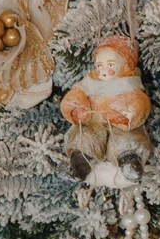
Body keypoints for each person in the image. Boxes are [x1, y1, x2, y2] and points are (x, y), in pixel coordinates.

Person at [61, 35, 153, 186]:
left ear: (126, 65)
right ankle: (79, 163)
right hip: (93, 124)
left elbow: (139, 104)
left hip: (119, 126)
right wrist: (76, 109)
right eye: (99, 65)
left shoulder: (129, 85)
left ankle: (128, 162)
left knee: (125, 140)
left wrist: (123, 115)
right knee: (86, 137)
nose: (103, 70)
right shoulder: (89, 83)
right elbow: (74, 95)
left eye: (110, 65)